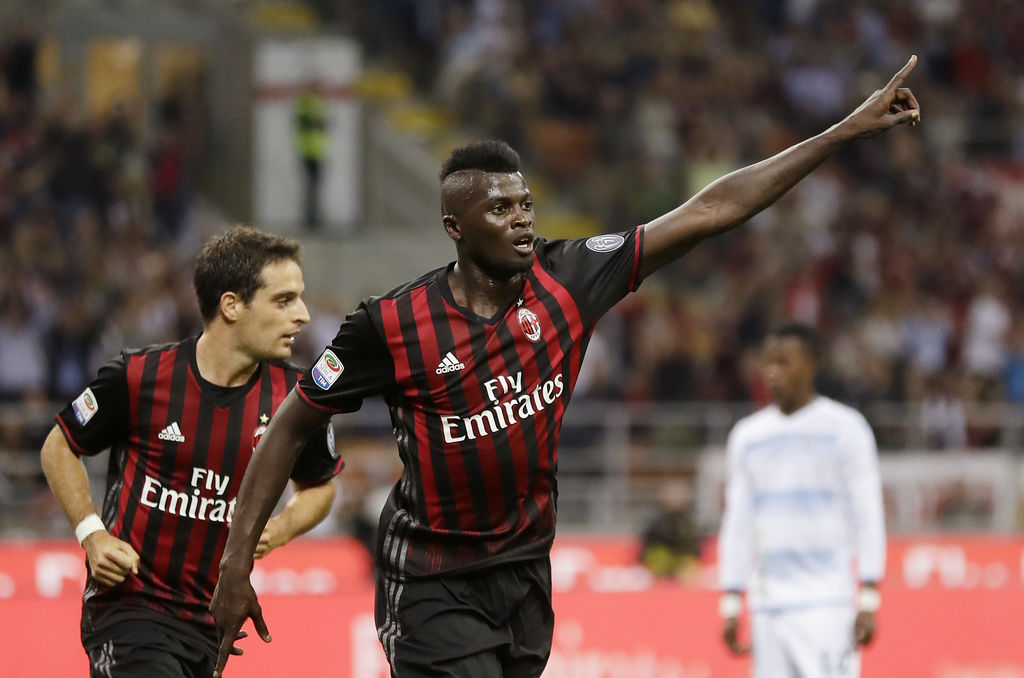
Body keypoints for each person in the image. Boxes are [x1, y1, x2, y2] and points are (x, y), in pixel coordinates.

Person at [211, 57, 919, 678]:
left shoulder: (570, 279)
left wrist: (841, 133)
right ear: (456, 228)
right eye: (499, 208)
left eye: (524, 203)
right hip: (432, 579)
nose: (521, 218)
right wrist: (236, 558)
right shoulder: (391, 324)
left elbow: (712, 210)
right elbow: (292, 422)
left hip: (525, 576)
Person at [40, 225, 344, 678]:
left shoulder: (296, 399)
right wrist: (93, 534)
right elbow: (59, 444)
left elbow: (319, 487)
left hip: (210, 625)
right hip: (130, 610)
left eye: (299, 298)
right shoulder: (140, 376)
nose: (302, 315)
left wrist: (280, 528)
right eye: (283, 300)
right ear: (231, 306)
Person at [717, 324, 886, 678]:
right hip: (768, 605)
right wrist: (732, 598)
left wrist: (869, 594)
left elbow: (868, 512)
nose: (773, 372)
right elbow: (738, 521)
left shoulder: (846, 428)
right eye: (768, 362)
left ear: (811, 364)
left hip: (827, 603)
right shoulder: (748, 436)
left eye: (785, 361)